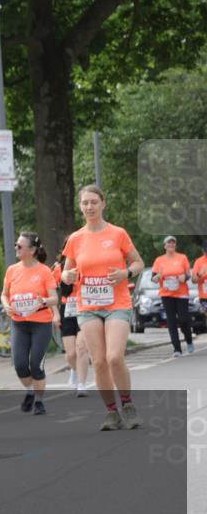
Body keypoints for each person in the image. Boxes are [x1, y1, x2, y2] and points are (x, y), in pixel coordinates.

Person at [61, 184, 144, 431]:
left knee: (114, 357)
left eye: (93, 202)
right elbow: (66, 271)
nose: (89, 207)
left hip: (117, 303)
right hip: (88, 306)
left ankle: (127, 405)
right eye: (85, 203)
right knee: (98, 362)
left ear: (103, 204)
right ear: (80, 206)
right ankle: (111, 412)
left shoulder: (118, 234)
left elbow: (139, 263)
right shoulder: (75, 239)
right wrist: (68, 276)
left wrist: (125, 273)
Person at [1, 232, 59, 415]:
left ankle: (40, 401)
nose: (16, 249)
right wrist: (6, 305)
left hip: (40, 323)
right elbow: (4, 294)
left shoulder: (43, 271)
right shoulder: (12, 270)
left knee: (35, 364)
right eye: (16, 245)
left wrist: (43, 301)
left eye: (20, 246)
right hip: (19, 323)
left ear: (32, 250)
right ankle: (30, 391)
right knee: (19, 365)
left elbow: (54, 299)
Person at [52, 248, 90, 397]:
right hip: (67, 310)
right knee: (70, 353)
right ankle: (74, 369)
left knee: (81, 347)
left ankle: (82, 383)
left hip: (85, 309)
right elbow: (51, 291)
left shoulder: (87, 264)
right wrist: (55, 314)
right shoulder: (58, 268)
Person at [151, 236, 194, 356]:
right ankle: (177, 349)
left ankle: (189, 340)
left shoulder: (182, 258)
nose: (171, 245)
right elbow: (153, 278)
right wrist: (158, 277)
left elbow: (188, 275)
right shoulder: (159, 260)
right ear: (164, 246)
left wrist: (183, 278)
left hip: (181, 294)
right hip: (166, 294)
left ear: (175, 245)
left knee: (183, 319)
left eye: (173, 243)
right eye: (169, 243)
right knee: (171, 321)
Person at [192, 241, 207, 316]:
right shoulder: (199, 262)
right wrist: (199, 274)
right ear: (203, 250)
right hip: (204, 297)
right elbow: (193, 280)